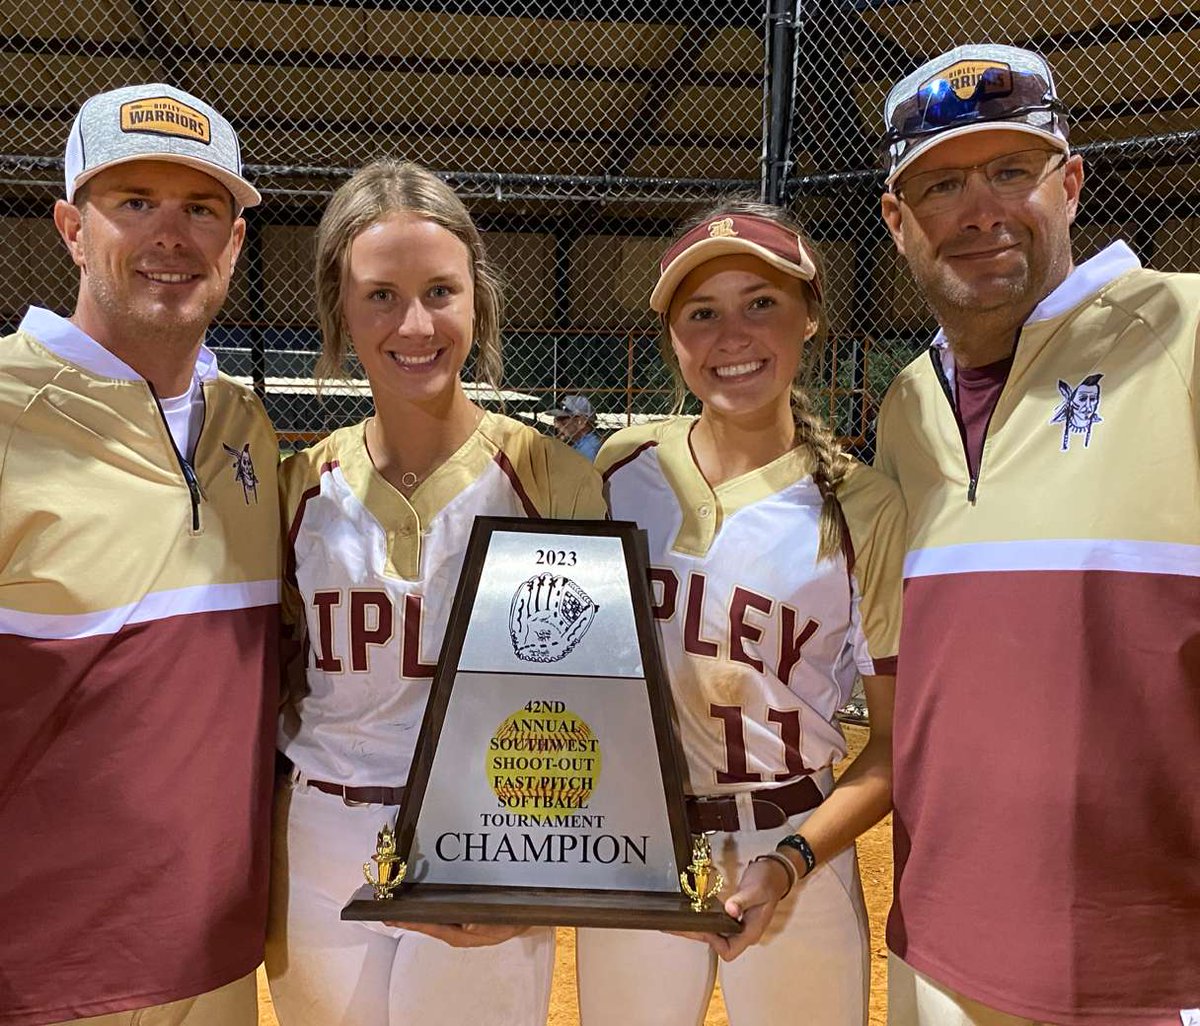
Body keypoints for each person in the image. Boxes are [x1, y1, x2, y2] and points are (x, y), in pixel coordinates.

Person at [875, 44, 1200, 1025]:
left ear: (1070, 182)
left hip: (1149, 966)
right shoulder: (907, 406)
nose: (980, 210)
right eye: (940, 184)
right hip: (936, 945)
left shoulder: (1183, 328)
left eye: (1011, 171)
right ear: (897, 222)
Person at [265, 158, 605, 1026]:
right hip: (323, 829)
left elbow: (587, 700)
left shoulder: (551, 477)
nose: (414, 323)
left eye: (441, 291)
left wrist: (527, 864)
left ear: (477, 302)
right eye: (380, 294)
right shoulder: (298, 483)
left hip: (487, 830)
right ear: (339, 307)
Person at [577, 201, 905, 1025]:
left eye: (762, 302)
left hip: (794, 837)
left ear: (810, 316)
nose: (732, 335)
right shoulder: (621, 470)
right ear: (674, 339)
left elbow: (896, 748)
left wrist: (792, 862)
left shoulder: (862, 507)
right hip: (637, 842)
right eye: (702, 313)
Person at [0, 84, 279, 1025]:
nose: (173, 235)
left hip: (217, 961)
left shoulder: (248, 428)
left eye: (201, 208)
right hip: (42, 974)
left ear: (234, 242)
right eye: (135, 204)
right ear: (73, 229)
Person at [551, 393, 602, 460]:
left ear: (581, 422)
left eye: (562, 419)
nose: (556, 426)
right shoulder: (579, 444)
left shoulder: (589, 448)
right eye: (556, 420)